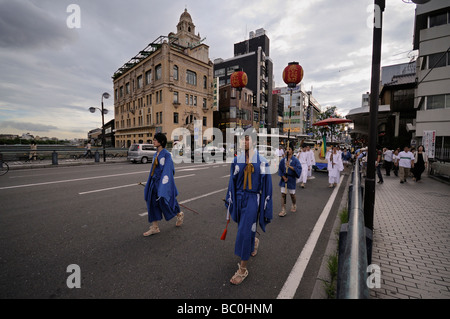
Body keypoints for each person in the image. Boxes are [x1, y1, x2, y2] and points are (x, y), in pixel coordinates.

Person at [224, 133, 273, 285]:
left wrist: (266, 207)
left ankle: (243, 269)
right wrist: (230, 199)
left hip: (253, 198)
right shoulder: (236, 161)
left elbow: (267, 188)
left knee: (244, 231)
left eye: (247, 138)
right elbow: (232, 182)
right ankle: (254, 241)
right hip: (239, 198)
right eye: (242, 139)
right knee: (243, 227)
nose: (244, 141)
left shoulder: (263, 162)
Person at [143, 133, 184, 236]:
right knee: (152, 204)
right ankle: (155, 227)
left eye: (155, 140)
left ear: (161, 142)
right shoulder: (155, 154)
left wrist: (163, 185)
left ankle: (179, 214)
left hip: (163, 183)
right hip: (154, 183)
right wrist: (149, 182)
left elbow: (169, 171)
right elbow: (152, 170)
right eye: (154, 139)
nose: (154, 141)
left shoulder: (166, 155)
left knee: (167, 202)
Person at [278, 144, 302, 216]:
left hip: (291, 179)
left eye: (289, 149)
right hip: (284, 179)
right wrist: (283, 177)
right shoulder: (283, 160)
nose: (287, 150)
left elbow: (298, 168)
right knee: (283, 194)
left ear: (292, 150)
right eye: (286, 149)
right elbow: (280, 169)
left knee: (292, 195)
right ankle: (283, 210)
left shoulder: (295, 160)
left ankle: (294, 204)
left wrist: (290, 167)